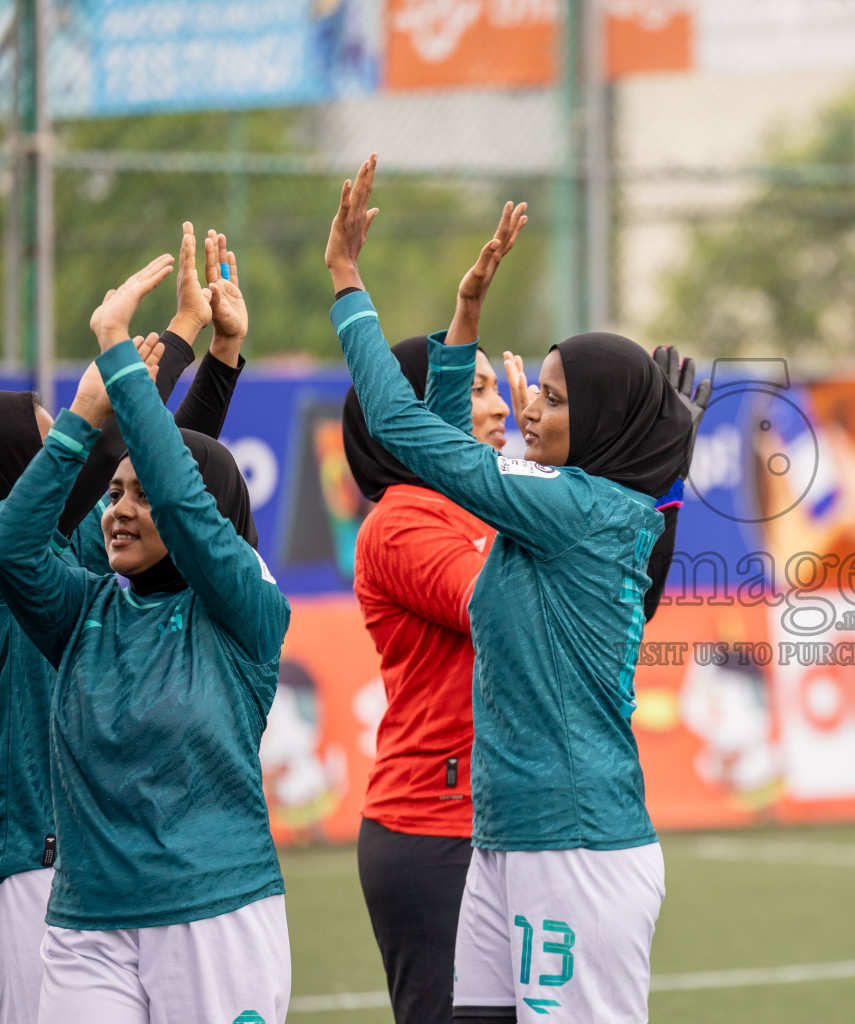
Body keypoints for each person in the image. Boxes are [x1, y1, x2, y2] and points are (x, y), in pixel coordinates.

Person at [326, 155, 705, 1023]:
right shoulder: (581, 506)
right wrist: (463, 318)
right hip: (505, 838)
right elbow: (450, 456)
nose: (530, 406)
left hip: (572, 841)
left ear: (603, 427)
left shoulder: (572, 509)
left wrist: (348, 281)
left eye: (556, 399)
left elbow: (402, 427)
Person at [0, 255, 287, 1024]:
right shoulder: (84, 608)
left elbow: (187, 489)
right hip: (82, 917)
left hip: (213, 911)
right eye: (110, 495)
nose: (115, 507)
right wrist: (85, 417)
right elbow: (17, 547)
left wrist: (149, 353)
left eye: (137, 494)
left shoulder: (245, 611)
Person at [348, 203, 524, 1024]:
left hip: (495, 817)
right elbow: (498, 603)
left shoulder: (479, 504)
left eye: (495, 389)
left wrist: (469, 314)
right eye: (476, 389)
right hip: (430, 829)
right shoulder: (403, 521)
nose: (501, 411)